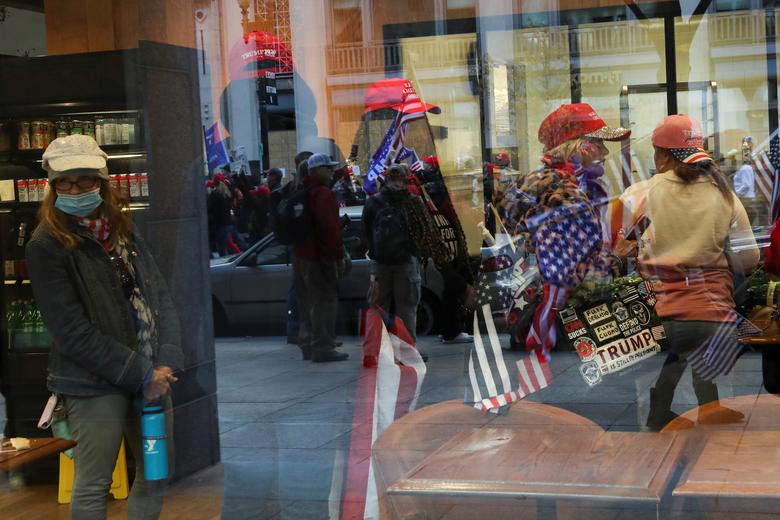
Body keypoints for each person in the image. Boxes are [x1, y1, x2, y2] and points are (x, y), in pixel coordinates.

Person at [25, 134, 183, 519]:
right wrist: (143, 373)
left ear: (101, 181)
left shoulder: (122, 230)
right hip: (92, 383)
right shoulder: (46, 245)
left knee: (156, 473)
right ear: (52, 186)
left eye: (84, 179)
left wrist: (165, 362)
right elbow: (71, 331)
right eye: (65, 182)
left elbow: (159, 296)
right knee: (94, 484)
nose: (74, 189)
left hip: (151, 375)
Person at [615, 115, 759, 431]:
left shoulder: (640, 194)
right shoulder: (723, 193)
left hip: (657, 310)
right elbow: (750, 258)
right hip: (713, 310)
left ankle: (665, 410)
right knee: (699, 346)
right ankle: (707, 408)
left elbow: (616, 247)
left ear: (662, 154)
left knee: (681, 348)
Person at [496, 103, 630, 356]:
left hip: (556, 324)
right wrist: (617, 258)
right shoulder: (564, 191)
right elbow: (578, 266)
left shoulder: (572, 185)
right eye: (597, 143)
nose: (605, 151)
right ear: (577, 147)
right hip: (556, 329)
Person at [363, 164, 449, 346]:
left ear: (386, 179)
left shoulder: (373, 202)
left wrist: (375, 251)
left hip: (380, 264)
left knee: (377, 308)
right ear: (405, 178)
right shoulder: (413, 201)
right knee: (407, 310)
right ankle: (407, 352)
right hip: (407, 262)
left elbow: (366, 232)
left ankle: (375, 351)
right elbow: (426, 231)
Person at [293, 153, 348, 362]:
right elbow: (330, 229)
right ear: (316, 170)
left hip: (301, 256)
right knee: (325, 301)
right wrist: (337, 257)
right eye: (328, 167)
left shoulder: (303, 191)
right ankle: (323, 347)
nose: (332, 171)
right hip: (319, 257)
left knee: (308, 303)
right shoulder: (322, 193)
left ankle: (308, 344)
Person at [207, 173, 233, 256]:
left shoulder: (214, 194)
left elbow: (208, 208)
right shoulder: (227, 193)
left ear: (214, 182)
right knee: (224, 247)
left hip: (219, 224)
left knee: (221, 249)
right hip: (227, 223)